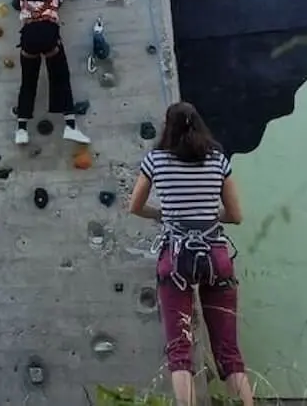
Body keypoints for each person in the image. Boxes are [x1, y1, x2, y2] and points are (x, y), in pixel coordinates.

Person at [128, 101, 253, 406]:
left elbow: (135, 206)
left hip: (176, 259)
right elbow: (236, 215)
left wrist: (167, 214)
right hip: (215, 257)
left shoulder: (155, 160)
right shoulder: (217, 160)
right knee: (229, 352)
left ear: (167, 127)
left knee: (180, 352)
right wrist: (208, 216)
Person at [11, 0, 90, 146]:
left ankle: (21, 130)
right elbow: (57, 3)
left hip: (28, 34)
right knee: (60, 77)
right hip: (48, 32)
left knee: (28, 82)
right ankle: (70, 126)